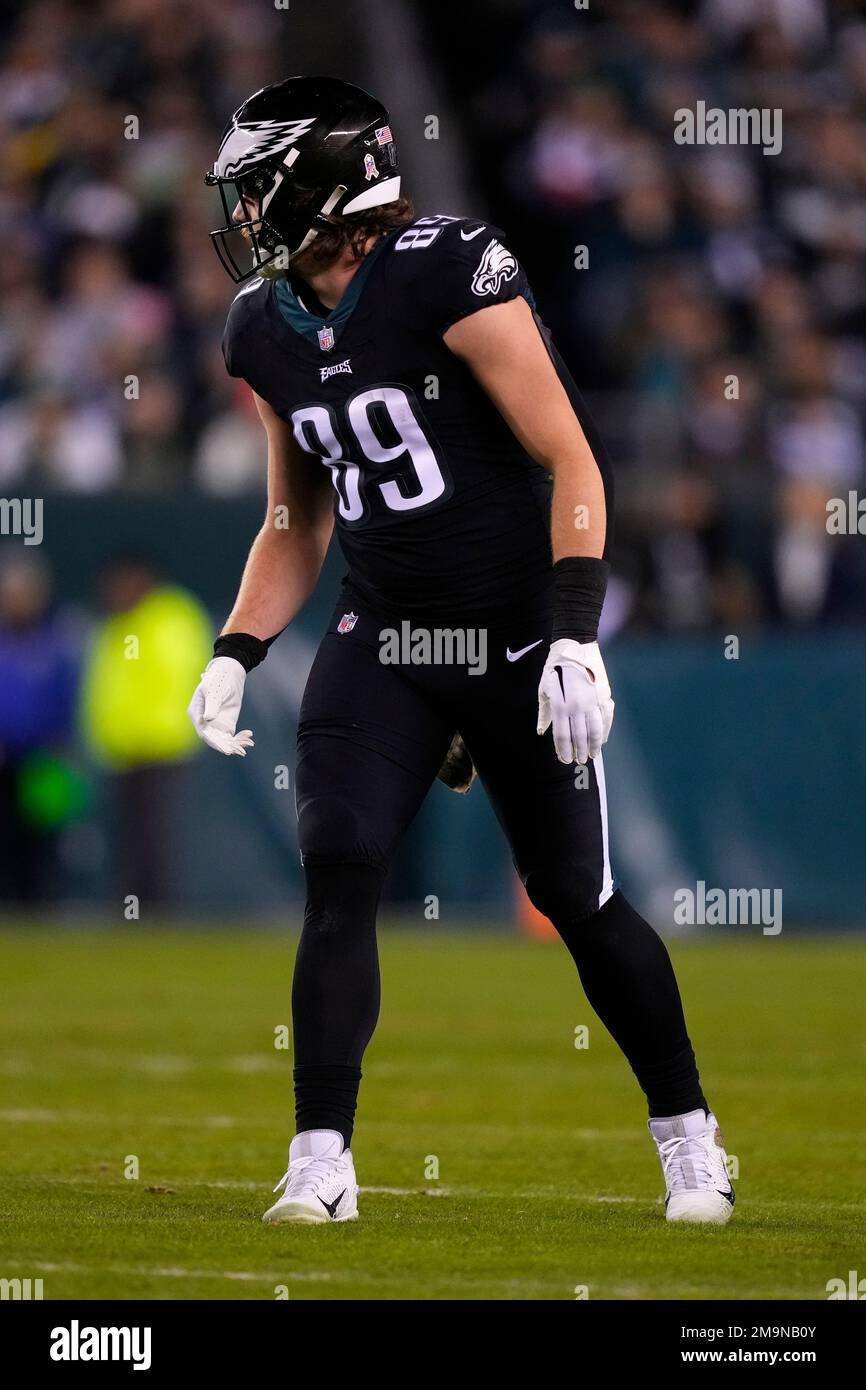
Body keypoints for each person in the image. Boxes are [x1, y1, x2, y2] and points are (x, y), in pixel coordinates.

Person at [189, 76, 734, 1226]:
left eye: (255, 182)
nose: (238, 208)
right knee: (338, 869)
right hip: (385, 628)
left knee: (574, 895)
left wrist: (575, 639)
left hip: (512, 628)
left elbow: (574, 461)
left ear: (320, 183)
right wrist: (238, 644)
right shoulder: (260, 326)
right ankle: (321, 1157)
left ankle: (689, 1136)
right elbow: (298, 519)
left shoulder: (447, 266)